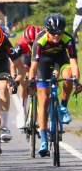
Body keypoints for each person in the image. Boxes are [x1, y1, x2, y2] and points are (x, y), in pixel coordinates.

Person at [28, 14, 80, 156]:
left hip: (60, 60)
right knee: (43, 99)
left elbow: (74, 63)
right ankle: (44, 139)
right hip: (43, 63)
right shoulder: (40, 41)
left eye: (59, 32)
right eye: (53, 33)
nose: (56, 36)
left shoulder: (68, 39)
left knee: (68, 76)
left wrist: (76, 81)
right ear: (46, 31)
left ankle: (63, 107)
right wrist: (31, 81)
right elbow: (34, 66)